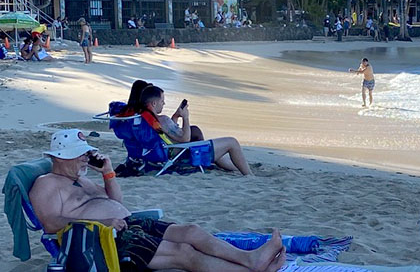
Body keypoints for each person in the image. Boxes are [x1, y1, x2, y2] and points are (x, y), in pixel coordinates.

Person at [29, 129, 284, 272]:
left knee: (191, 232)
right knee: (183, 254)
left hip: (129, 223)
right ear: (61, 157)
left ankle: (250, 260)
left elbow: (116, 199)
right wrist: (105, 222)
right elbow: (52, 224)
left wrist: (107, 171)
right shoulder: (47, 183)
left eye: (86, 154)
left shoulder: (82, 180)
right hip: (105, 238)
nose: (86, 159)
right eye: (81, 156)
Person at [138, 85, 250, 175]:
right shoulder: (162, 120)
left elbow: (165, 135)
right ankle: (249, 174)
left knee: (217, 151)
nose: (164, 104)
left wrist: (176, 116)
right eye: (162, 101)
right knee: (232, 142)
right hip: (184, 155)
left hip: (165, 152)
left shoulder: (144, 119)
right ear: (154, 103)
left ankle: (238, 167)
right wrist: (186, 117)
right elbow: (185, 139)